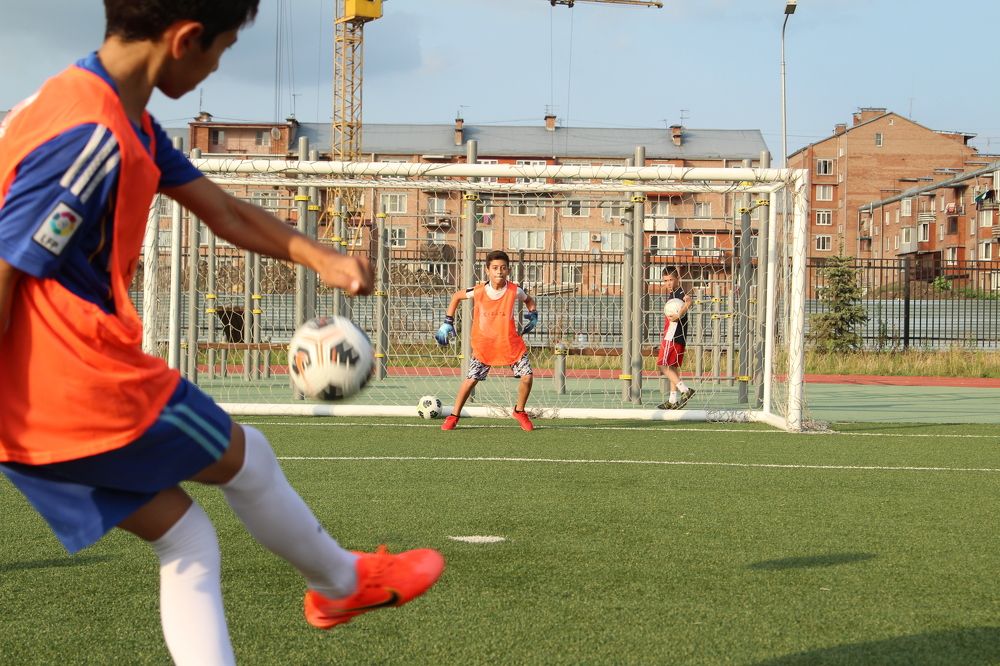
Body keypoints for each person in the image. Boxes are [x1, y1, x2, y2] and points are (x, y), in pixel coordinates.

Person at [0, 3, 443, 664]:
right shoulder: (91, 136)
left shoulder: (103, 111)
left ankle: (337, 584)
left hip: (23, 412)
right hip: (78, 384)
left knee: (186, 542)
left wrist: (322, 258)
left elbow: (224, 211)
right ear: (185, 39)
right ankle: (340, 584)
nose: (216, 67)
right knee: (250, 459)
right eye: (223, 49)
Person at [435, 250, 539, 431]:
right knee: (470, 381)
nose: (499, 271)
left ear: (509, 270)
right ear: (487, 270)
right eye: (495, 268)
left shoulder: (515, 290)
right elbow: (456, 296)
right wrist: (447, 322)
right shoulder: (479, 290)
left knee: (527, 376)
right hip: (485, 345)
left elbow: (529, 300)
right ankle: (454, 415)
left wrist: (533, 314)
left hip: (510, 344)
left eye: (503, 268)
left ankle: (519, 411)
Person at [656, 267, 696, 410]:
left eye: (671, 280)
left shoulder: (680, 292)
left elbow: (689, 301)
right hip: (678, 335)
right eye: (665, 280)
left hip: (673, 335)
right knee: (672, 367)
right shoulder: (672, 294)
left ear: (677, 279)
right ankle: (672, 400)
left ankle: (685, 390)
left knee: (663, 365)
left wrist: (679, 315)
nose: (668, 283)